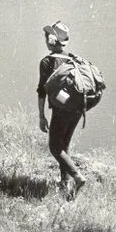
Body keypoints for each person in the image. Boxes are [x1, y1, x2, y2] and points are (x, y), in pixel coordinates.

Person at [37, 22, 87, 199]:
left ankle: (77, 177)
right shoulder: (72, 59)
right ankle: (64, 184)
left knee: (54, 147)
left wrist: (42, 116)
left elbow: (42, 91)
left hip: (61, 109)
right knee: (64, 145)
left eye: (46, 37)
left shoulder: (47, 61)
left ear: (51, 41)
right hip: (78, 108)